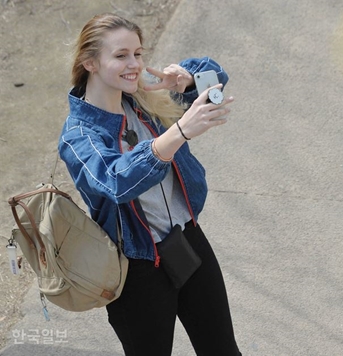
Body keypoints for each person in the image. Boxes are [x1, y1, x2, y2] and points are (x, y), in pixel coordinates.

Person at [58, 13, 241, 355]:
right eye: (121, 55)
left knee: (223, 350)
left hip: (187, 240)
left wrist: (188, 80)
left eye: (138, 54)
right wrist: (180, 131)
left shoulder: (144, 100)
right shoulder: (78, 136)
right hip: (136, 267)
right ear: (90, 63)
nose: (134, 65)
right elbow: (116, 180)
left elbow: (217, 78)